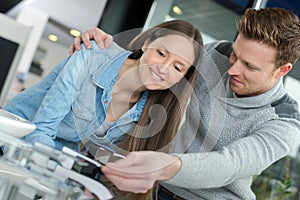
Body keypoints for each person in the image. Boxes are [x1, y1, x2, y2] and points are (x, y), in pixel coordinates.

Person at [70, 7, 300, 199]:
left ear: (282, 70)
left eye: (249, 66)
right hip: (152, 187)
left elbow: (230, 164)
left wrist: (163, 166)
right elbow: (155, 68)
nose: (232, 69)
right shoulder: (216, 53)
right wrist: (101, 49)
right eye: (235, 55)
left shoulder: (285, 122)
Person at [3, 19, 203, 156]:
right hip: (11, 139)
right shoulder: (93, 54)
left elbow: (90, 154)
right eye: (161, 53)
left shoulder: (149, 114)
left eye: (178, 67)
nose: (163, 68)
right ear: (147, 44)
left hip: (51, 159)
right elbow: (42, 130)